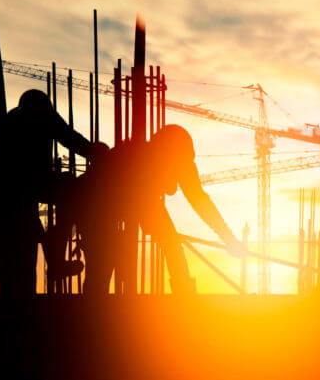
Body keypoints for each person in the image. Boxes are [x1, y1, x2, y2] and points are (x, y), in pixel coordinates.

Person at [76, 125, 244, 295]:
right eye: (174, 173)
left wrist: (228, 238)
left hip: (118, 200)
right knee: (103, 260)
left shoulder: (174, 164)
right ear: (165, 159)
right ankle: (92, 311)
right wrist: (228, 238)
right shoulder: (135, 169)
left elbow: (200, 202)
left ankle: (184, 300)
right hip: (95, 204)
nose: (174, 185)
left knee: (171, 245)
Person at [0, 89, 95, 295]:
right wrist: (97, 152)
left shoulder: (10, 121)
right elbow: (68, 137)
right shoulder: (40, 116)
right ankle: (56, 251)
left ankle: (53, 255)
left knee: (23, 250)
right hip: (22, 183)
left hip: (5, 190)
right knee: (70, 188)